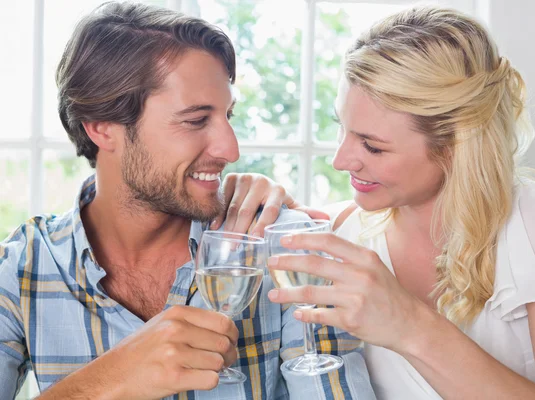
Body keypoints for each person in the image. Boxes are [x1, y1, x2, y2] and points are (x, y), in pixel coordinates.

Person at [0, 2, 377, 399]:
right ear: (102, 128)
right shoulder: (24, 267)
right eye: (196, 120)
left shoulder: (285, 247)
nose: (230, 149)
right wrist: (110, 380)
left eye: (228, 116)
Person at [243, 5, 535, 399]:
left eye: (373, 147)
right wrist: (255, 196)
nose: (340, 160)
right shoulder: (343, 233)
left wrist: (410, 326)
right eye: (341, 128)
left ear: (454, 146)